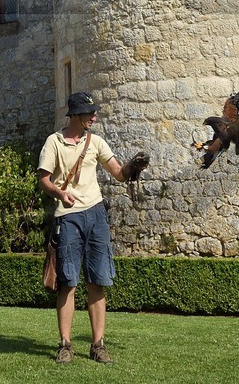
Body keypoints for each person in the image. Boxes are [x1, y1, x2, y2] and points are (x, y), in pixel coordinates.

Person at [37, 91, 148, 365]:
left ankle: (98, 345)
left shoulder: (95, 141)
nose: (94, 117)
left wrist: (132, 167)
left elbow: (118, 174)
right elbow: (44, 179)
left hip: (97, 214)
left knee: (97, 281)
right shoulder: (54, 142)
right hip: (68, 217)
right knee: (69, 282)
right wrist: (60, 194)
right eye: (90, 113)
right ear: (75, 115)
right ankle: (65, 345)